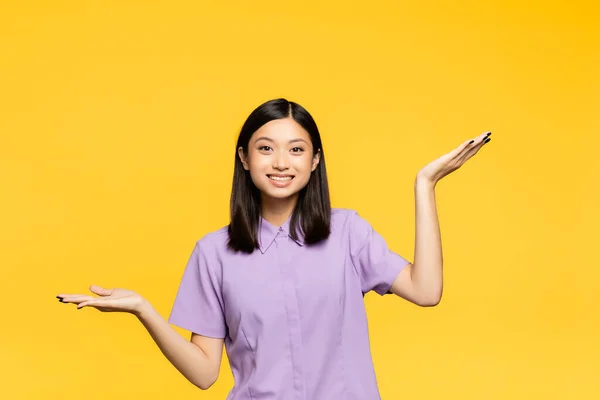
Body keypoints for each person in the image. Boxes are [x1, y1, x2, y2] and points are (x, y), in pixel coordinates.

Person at [57, 98, 492, 399]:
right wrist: (143, 309)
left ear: (315, 160)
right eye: (266, 149)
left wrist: (425, 184)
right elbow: (205, 374)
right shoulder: (213, 254)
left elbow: (426, 290)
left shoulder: (348, 233)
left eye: (296, 150)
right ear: (244, 158)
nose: (281, 163)